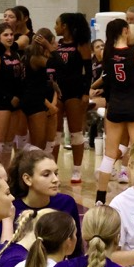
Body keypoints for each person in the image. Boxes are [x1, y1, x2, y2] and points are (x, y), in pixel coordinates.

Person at [94, 19, 134, 205]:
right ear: (126, 31)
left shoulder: (105, 52)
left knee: (109, 155)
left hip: (115, 106)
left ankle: (100, 199)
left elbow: (108, 80)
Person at [8, 148, 81, 255]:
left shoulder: (66, 203)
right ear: (27, 179)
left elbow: (76, 249)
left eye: (56, 173)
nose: (55, 179)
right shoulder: (12, 208)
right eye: (46, 175)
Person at [54, 13, 94, 185]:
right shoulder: (56, 45)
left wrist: (85, 93)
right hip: (57, 91)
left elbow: (89, 71)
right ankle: (52, 168)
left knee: (75, 132)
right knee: (55, 133)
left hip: (75, 92)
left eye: (57, 24)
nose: (55, 27)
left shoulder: (82, 45)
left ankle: (77, 170)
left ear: (65, 26)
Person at [0, 23, 24, 166]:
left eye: (11, 34)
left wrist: (18, 96)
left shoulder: (15, 53)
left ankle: (5, 174)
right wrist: (9, 97)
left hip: (16, 102)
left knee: (9, 142)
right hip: (1, 102)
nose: (9, 37)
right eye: (5, 35)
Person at [22, 27, 60, 150]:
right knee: (38, 144)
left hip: (44, 100)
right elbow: (60, 65)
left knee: (47, 142)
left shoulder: (41, 57)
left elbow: (51, 81)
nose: (55, 45)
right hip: (35, 102)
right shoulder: (35, 58)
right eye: (52, 42)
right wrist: (49, 105)